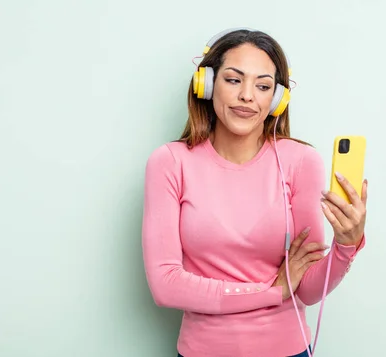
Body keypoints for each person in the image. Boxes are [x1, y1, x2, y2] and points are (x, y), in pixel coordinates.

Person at [141, 28, 368, 357]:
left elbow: (306, 288)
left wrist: (346, 246)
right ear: (206, 83)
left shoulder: (300, 162)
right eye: (233, 80)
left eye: (263, 86)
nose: (248, 95)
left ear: (277, 99)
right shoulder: (170, 162)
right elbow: (166, 286)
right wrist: (271, 292)